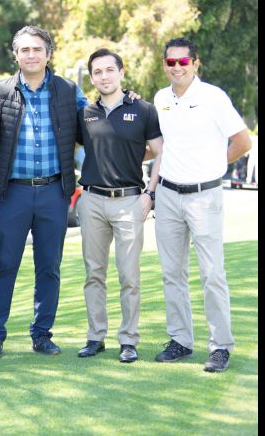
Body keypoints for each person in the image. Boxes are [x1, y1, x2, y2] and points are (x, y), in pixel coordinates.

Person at [0, 26, 90, 358]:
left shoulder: (68, 91)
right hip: (13, 192)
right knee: (4, 264)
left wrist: (129, 100)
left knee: (49, 266)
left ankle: (42, 334)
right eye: (25, 50)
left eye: (37, 49)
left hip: (54, 191)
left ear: (48, 53)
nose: (31, 55)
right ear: (16, 55)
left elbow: (94, 119)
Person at [152, 37, 252, 372]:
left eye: (183, 62)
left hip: (204, 196)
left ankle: (220, 346)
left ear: (196, 63)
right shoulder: (160, 99)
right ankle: (180, 340)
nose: (177, 68)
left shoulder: (213, 97)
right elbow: (158, 147)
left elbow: (243, 140)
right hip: (167, 195)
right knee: (172, 273)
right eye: (171, 63)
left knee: (212, 274)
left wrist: (215, 166)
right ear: (165, 65)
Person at [74, 48, 163, 363]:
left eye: (109, 70)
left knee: (129, 276)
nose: (104, 76)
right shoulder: (84, 112)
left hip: (129, 202)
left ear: (121, 72)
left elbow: (158, 151)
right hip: (93, 200)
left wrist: (149, 193)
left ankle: (128, 340)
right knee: (93, 273)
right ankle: (95, 337)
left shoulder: (143, 109)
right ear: (93, 77)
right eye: (97, 72)